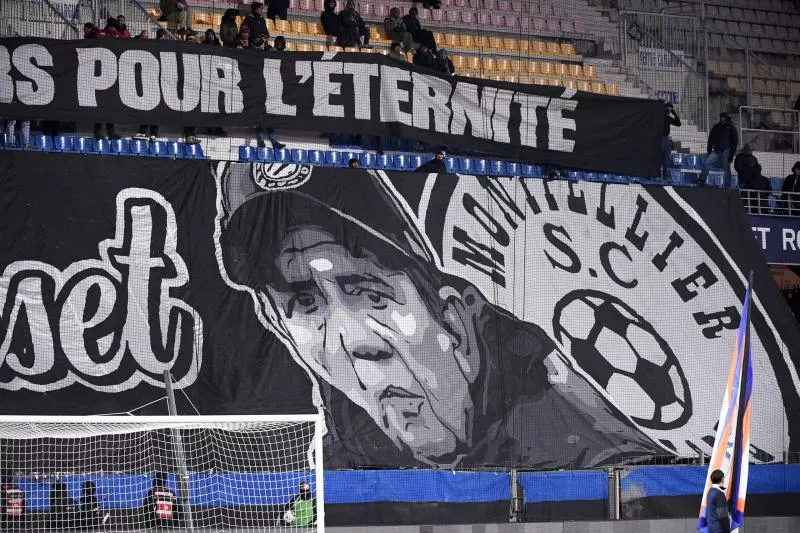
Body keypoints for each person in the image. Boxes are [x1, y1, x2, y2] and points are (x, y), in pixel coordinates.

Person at [217, 166, 664, 469]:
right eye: (306, 304)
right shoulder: (344, 443)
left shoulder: (578, 438)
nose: (351, 342)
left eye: (370, 293)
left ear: (453, 318)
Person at [701, 112, 738, 186]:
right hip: (717, 150)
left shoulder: (731, 128)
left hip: (726, 151)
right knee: (707, 162)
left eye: (724, 117)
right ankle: (702, 180)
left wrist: (731, 155)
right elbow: (711, 139)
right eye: (721, 117)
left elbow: (735, 142)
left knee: (726, 168)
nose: (722, 118)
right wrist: (709, 150)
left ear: (727, 118)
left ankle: (727, 185)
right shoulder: (716, 127)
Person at [661, 102, 680, 180]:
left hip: (666, 139)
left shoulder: (668, 118)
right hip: (660, 138)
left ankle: (665, 177)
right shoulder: (660, 116)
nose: (669, 109)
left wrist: (674, 113)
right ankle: (656, 175)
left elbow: (678, 123)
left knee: (666, 159)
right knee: (659, 157)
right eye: (668, 108)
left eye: (671, 108)